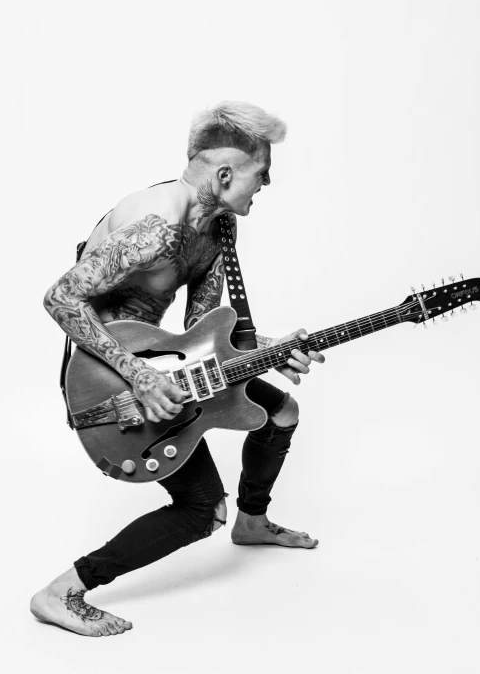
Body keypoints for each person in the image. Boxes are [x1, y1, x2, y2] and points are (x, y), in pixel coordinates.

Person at [30, 101, 325, 637]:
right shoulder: (157, 224)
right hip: (108, 378)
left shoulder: (215, 231)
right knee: (201, 508)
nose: (268, 183)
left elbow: (203, 334)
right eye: (263, 172)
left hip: (166, 363)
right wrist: (139, 375)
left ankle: (253, 521)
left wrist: (272, 347)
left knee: (281, 412)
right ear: (226, 173)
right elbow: (61, 298)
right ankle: (62, 591)